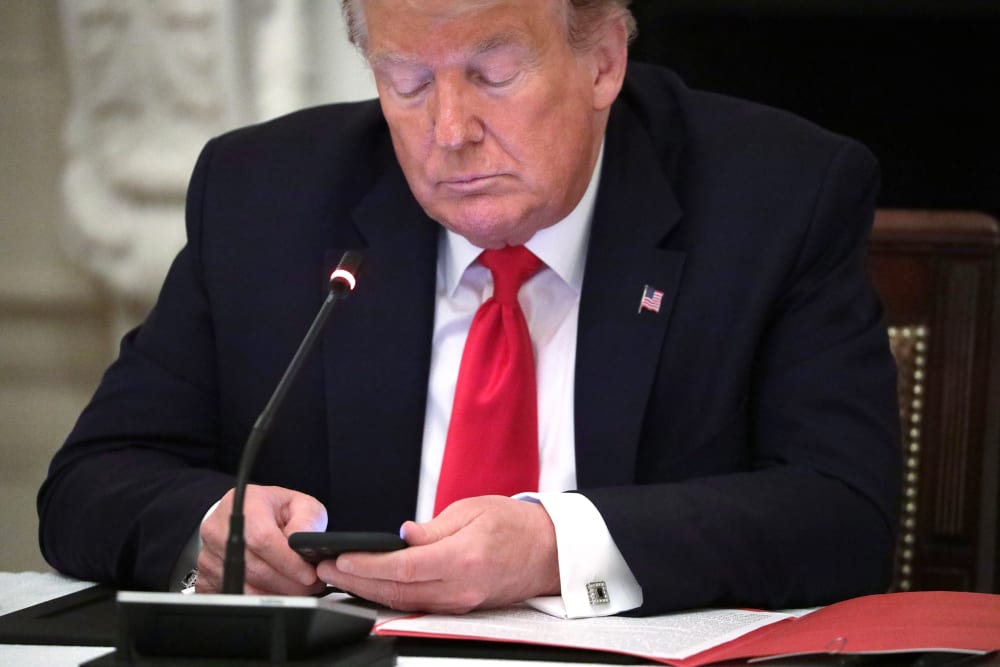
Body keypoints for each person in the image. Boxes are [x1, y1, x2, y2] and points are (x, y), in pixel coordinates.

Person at [38, 0, 901, 618]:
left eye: (493, 75)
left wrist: (552, 547)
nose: (449, 129)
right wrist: (213, 525)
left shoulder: (777, 196)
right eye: (406, 82)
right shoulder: (264, 198)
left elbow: (842, 513)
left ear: (603, 60)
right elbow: (89, 483)